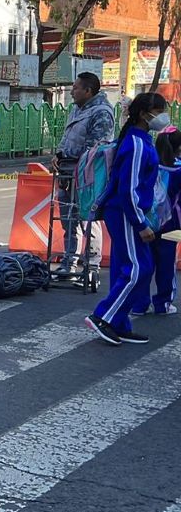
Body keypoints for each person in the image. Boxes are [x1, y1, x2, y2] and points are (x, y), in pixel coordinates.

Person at [86, 93, 169, 345]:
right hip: (126, 212)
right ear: (145, 114)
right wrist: (140, 223)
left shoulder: (140, 139)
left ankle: (120, 322)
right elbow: (128, 188)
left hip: (126, 211)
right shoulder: (136, 144)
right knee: (138, 269)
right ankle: (103, 317)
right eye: (160, 111)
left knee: (131, 267)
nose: (164, 117)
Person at [53, 72, 116, 276]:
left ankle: (91, 266)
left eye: (76, 88)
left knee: (88, 219)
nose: (72, 92)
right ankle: (68, 261)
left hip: (86, 175)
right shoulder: (76, 110)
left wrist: (67, 155)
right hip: (66, 172)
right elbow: (67, 137)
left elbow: (96, 149)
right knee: (68, 219)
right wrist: (58, 155)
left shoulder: (101, 113)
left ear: (88, 91)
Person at [131, 125, 181, 317]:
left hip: (145, 221)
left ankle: (139, 305)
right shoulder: (178, 170)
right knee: (167, 265)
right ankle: (163, 304)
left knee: (144, 263)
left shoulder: (148, 165)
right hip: (171, 224)